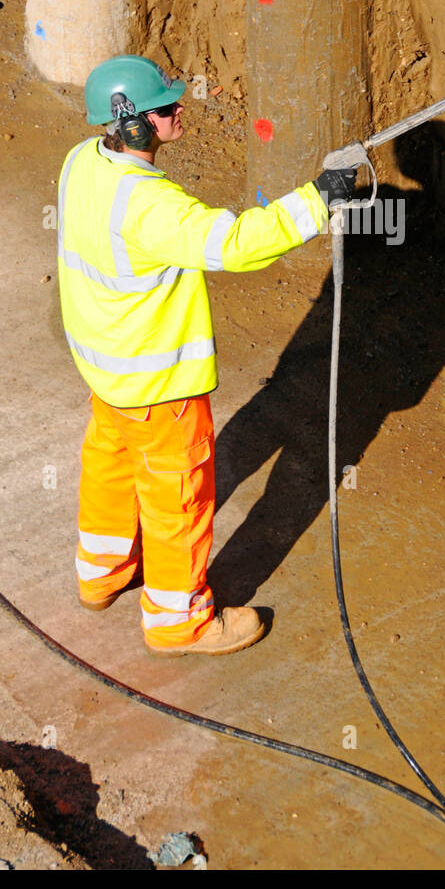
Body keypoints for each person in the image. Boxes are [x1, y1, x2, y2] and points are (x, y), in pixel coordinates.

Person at [56, 55, 356, 657]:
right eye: (165, 107)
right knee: (177, 499)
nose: (177, 110)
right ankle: (179, 622)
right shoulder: (148, 207)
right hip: (160, 388)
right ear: (131, 122)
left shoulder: (81, 164)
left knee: (111, 473)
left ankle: (102, 575)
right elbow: (239, 245)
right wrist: (318, 200)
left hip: (109, 377)